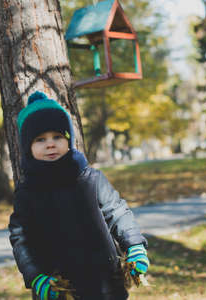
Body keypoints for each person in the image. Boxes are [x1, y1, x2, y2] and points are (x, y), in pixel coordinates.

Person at [9, 91, 149, 300]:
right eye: (40, 139)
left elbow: (117, 211)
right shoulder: (27, 192)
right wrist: (35, 276)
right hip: (58, 287)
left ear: (69, 140)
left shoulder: (90, 179)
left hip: (104, 281)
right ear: (28, 147)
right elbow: (21, 238)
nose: (50, 144)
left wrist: (134, 245)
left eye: (57, 136)